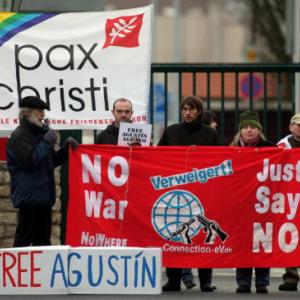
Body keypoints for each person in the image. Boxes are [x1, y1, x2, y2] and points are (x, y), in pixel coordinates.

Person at [158, 95, 220, 292]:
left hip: (204, 191)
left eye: (191, 109)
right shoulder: (171, 131)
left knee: (203, 236)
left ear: (199, 111)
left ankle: (205, 281)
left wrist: (200, 156)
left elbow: (220, 160)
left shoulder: (210, 134)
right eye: (184, 108)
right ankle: (173, 279)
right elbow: (156, 157)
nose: (187, 112)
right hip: (176, 191)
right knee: (175, 234)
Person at [6, 96, 78, 247]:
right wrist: (47, 141)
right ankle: (20, 270)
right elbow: (30, 162)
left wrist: (66, 149)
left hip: (43, 198)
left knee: (43, 242)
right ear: (27, 113)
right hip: (29, 199)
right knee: (24, 241)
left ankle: (41, 270)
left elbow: (52, 161)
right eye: (39, 111)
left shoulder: (40, 134)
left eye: (43, 111)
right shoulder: (19, 136)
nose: (43, 115)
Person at [230, 110, 273, 294]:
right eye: (245, 127)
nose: (249, 131)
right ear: (240, 131)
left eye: (252, 127)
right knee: (242, 243)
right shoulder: (231, 150)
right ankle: (243, 282)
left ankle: (262, 282)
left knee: (263, 243)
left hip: (264, 204)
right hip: (240, 206)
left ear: (259, 130)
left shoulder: (271, 149)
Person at [277, 113, 300, 291]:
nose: (299, 127)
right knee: (291, 238)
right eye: (296, 125)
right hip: (290, 197)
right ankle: (291, 278)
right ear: (291, 127)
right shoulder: (282, 145)